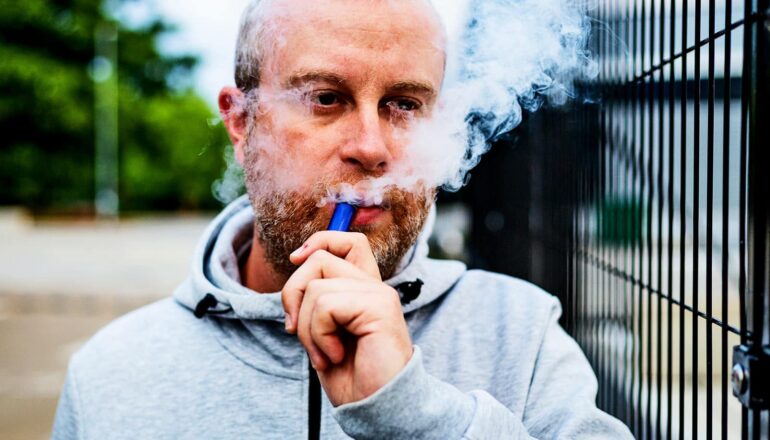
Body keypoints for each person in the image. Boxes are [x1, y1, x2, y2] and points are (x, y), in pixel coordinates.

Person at [52, 0, 633, 438]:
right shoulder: (113, 374)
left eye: (404, 104)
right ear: (241, 124)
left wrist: (417, 414)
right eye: (326, 98)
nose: (371, 148)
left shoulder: (521, 335)